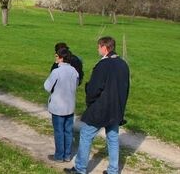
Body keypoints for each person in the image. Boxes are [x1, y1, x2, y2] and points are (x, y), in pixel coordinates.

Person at [64, 36, 130, 174]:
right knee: (112, 138)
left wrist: (90, 101)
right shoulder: (123, 64)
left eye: (99, 46)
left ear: (105, 48)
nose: (97, 49)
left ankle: (80, 168)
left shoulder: (102, 65)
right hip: (116, 108)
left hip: (101, 109)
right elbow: (126, 88)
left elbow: (94, 89)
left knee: (86, 134)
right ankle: (113, 170)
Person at [44, 47, 79, 162]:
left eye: (56, 56)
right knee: (68, 131)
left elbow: (47, 87)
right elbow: (76, 84)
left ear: (61, 58)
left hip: (58, 106)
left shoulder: (56, 71)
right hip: (70, 106)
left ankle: (59, 156)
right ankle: (67, 155)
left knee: (59, 131)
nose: (55, 58)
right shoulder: (74, 71)